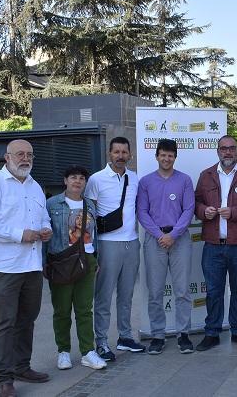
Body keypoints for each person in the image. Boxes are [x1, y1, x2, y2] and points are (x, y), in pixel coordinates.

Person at [0, 139, 52, 397]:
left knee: (26, 320)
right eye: (19, 154)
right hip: (3, 267)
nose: (25, 158)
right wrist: (20, 234)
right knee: (4, 324)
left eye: (29, 154)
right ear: (7, 157)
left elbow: (42, 217)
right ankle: (3, 379)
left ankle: (21, 366)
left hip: (31, 266)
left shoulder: (35, 186)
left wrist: (46, 229)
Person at [194, 135, 237, 351]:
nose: (228, 152)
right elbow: (195, 203)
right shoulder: (206, 176)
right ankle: (212, 332)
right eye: (224, 148)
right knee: (213, 291)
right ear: (218, 151)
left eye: (232, 148)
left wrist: (233, 212)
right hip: (213, 245)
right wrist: (203, 211)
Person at [85, 136, 145, 361]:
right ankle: (101, 342)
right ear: (109, 154)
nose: (120, 156)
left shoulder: (134, 178)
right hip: (108, 244)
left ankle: (125, 337)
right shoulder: (96, 180)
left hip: (131, 242)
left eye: (124, 152)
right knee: (103, 297)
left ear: (130, 155)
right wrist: (92, 250)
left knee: (127, 295)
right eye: (116, 152)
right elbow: (88, 216)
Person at [44, 165, 107, 371]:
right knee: (62, 310)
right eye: (73, 177)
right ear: (65, 181)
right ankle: (63, 351)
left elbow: (94, 234)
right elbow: (45, 234)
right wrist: (45, 263)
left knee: (84, 309)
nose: (77, 181)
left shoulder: (90, 204)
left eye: (81, 178)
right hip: (62, 261)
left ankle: (88, 351)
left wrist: (95, 259)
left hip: (86, 260)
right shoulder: (52, 203)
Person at [137, 139, 196, 354]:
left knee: (181, 291)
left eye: (170, 155)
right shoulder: (146, 182)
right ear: (157, 156)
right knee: (155, 292)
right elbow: (142, 212)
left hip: (179, 238)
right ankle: (158, 335)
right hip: (155, 239)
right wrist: (159, 234)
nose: (166, 158)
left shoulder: (185, 180)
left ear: (175, 157)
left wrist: (173, 234)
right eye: (163, 154)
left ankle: (183, 334)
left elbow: (189, 210)